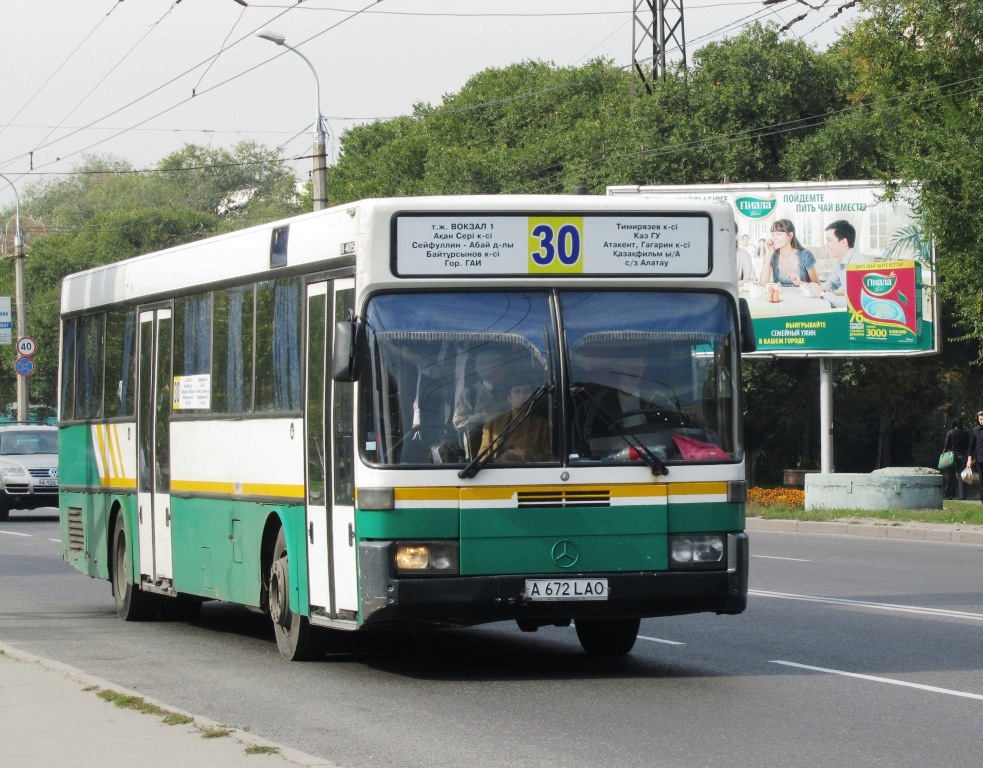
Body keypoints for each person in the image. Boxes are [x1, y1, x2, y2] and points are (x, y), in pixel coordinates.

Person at [452, 349, 510, 457]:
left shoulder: (510, 392)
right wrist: (487, 417)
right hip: (477, 454)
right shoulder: (470, 393)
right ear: (490, 369)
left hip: (504, 449)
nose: (505, 370)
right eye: (501, 366)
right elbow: (458, 421)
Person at [481, 380, 552, 462]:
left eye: (527, 391)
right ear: (509, 397)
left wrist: (524, 453)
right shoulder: (493, 424)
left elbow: (551, 460)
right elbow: (482, 459)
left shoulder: (542, 425)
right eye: (517, 391)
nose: (522, 396)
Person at [805, 219, 858, 309]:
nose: (826, 245)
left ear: (843, 242)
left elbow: (853, 304)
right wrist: (825, 287)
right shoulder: (842, 262)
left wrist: (822, 293)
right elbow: (832, 282)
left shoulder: (857, 266)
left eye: (829, 240)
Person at [760, 219, 819, 286]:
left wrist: (801, 283)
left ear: (790, 235)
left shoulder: (805, 255)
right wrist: (768, 254)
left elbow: (817, 286)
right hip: (780, 296)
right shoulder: (773, 256)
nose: (774, 238)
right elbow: (762, 284)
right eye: (773, 234)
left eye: (778, 234)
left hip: (801, 296)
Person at [942, 417, 970, 500]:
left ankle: (949, 494)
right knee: (962, 476)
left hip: (951, 456)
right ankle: (962, 495)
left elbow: (946, 446)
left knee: (951, 476)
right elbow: (967, 446)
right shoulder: (965, 433)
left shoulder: (950, 432)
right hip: (962, 455)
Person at [966, 410, 983, 502]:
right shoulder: (975, 430)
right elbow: (971, 446)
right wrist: (969, 459)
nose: (982, 421)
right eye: (980, 419)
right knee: (981, 478)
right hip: (980, 458)